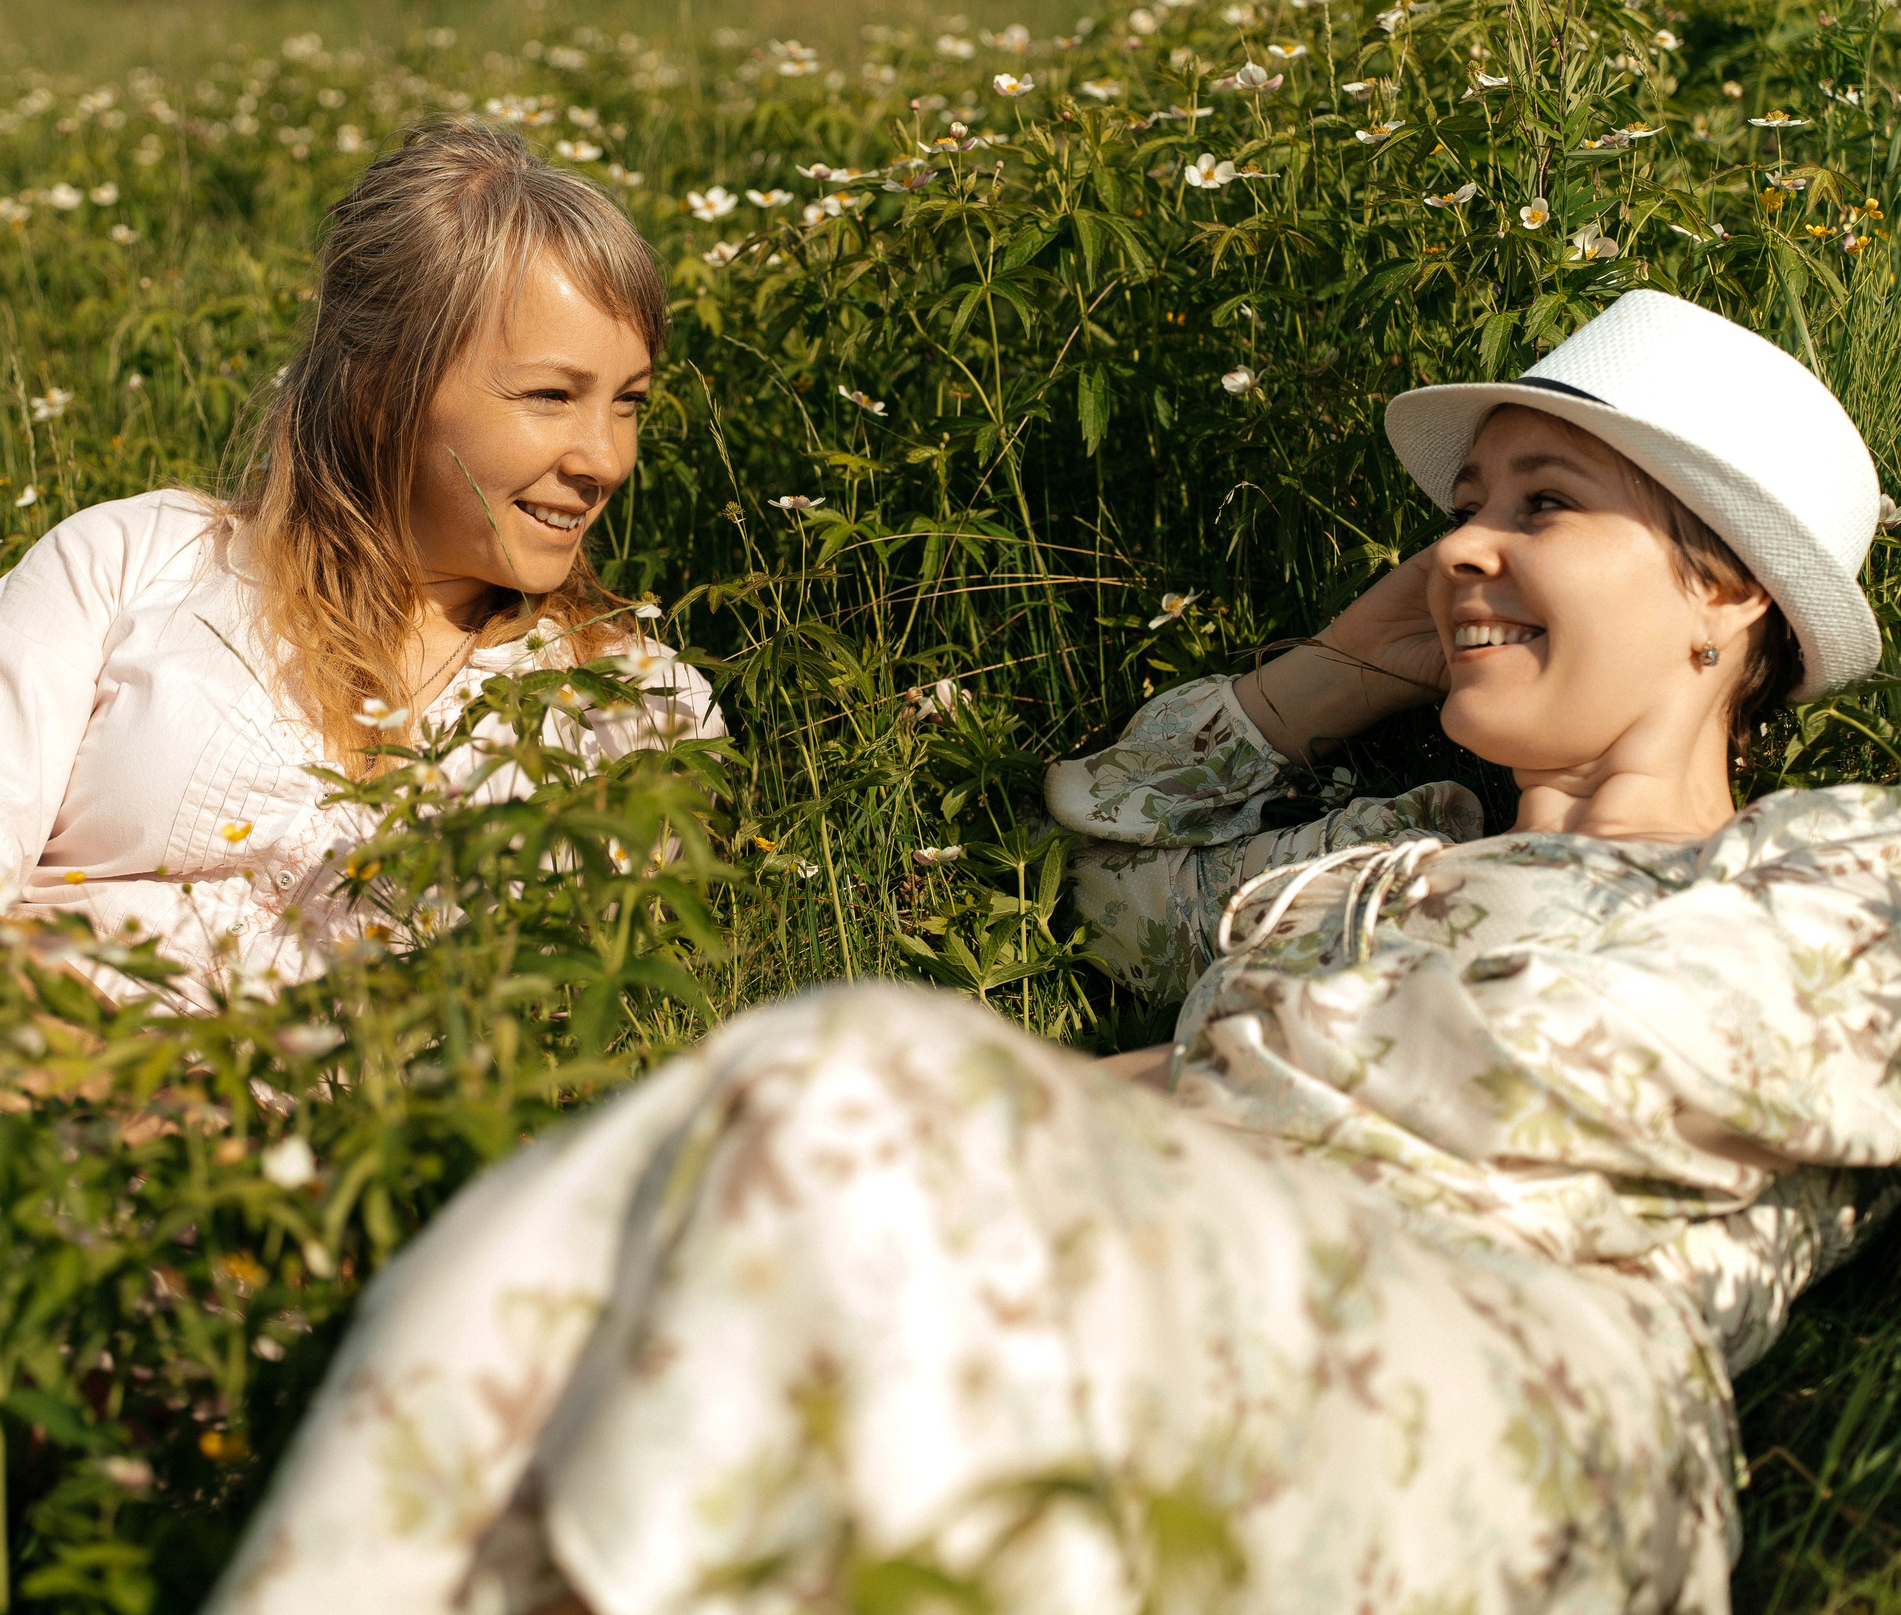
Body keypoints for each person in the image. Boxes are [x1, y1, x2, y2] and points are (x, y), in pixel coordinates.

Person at [207, 289, 1901, 1615]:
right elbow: (1116, 859)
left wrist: (1184, 1078)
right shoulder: (1368, 870)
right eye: (1460, 510)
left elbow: (1597, 1055)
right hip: (1177, 1288)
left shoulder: (1832, 862)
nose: (1461, 544)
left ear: (1726, 589)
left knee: (846, 1074)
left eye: (1545, 505)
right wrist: (1348, 662)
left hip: (1515, 1389)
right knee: (612, 1208)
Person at [0, 118, 722, 1290]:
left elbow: (566, 1064)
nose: (604, 457)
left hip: (270, 1203)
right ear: (382, 387)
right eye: (552, 396)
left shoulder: (633, 713)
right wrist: (99, 1094)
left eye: (627, 402)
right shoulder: (134, 565)